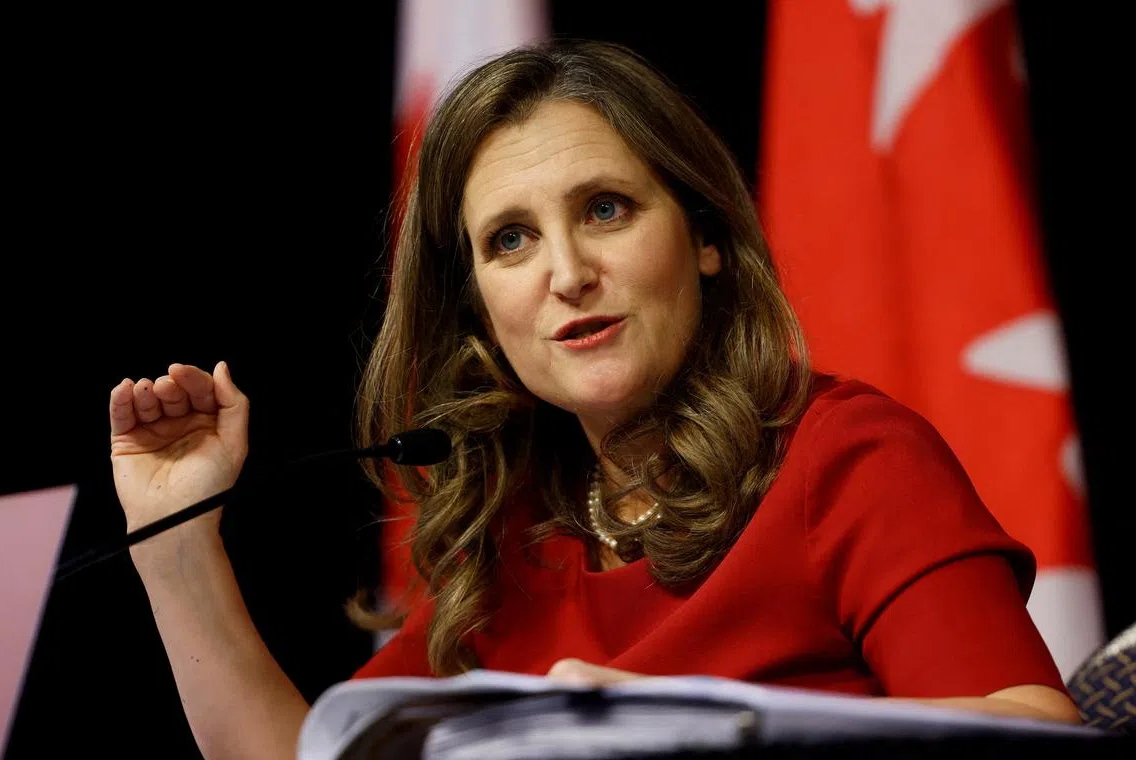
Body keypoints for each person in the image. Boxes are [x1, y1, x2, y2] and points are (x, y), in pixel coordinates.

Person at [107, 40, 1081, 760]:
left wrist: (682, 732)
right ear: (479, 309)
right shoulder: (511, 529)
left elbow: (1034, 729)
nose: (568, 273)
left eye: (605, 210)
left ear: (704, 237)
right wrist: (173, 542)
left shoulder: (849, 456)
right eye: (511, 240)